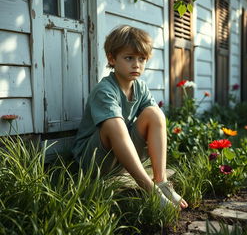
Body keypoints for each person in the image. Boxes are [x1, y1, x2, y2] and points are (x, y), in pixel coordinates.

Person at [72, 25, 188, 209]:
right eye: (129, 58)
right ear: (112, 58)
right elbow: (113, 129)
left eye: (141, 59)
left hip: (120, 158)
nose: (136, 64)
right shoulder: (105, 90)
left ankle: (161, 183)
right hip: (94, 161)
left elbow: (153, 121)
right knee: (113, 123)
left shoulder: (140, 87)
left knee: (154, 113)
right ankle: (150, 190)